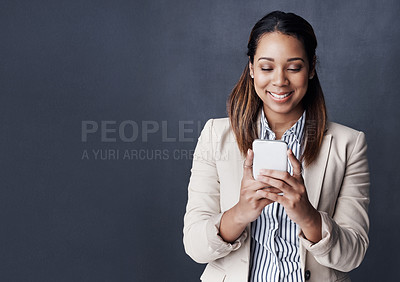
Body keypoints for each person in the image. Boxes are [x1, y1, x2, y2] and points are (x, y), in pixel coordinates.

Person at [183, 11, 370, 282]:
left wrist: (308, 217)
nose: (280, 81)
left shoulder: (348, 145)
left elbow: (352, 255)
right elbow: (195, 247)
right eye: (266, 67)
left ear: (312, 67)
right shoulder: (216, 135)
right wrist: (240, 213)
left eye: (294, 67)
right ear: (251, 69)